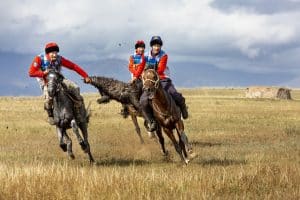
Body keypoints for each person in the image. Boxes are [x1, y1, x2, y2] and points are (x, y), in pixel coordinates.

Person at [28, 42, 91, 125]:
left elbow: (73, 66)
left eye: (56, 53)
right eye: (52, 53)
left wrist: (85, 76)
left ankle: (78, 112)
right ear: (48, 53)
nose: (54, 55)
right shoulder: (39, 59)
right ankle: (50, 115)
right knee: (48, 99)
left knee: (75, 88)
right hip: (45, 81)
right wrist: (43, 73)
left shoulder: (59, 59)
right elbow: (31, 73)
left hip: (58, 79)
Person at [140, 36, 189, 131]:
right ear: (152, 46)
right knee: (143, 101)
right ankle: (152, 121)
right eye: (155, 45)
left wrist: (150, 70)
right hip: (150, 82)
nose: (157, 47)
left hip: (163, 79)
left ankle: (183, 111)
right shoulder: (145, 56)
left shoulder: (163, 55)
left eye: (158, 45)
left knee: (176, 95)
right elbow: (141, 67)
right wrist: (136, 76)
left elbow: (161, 69)